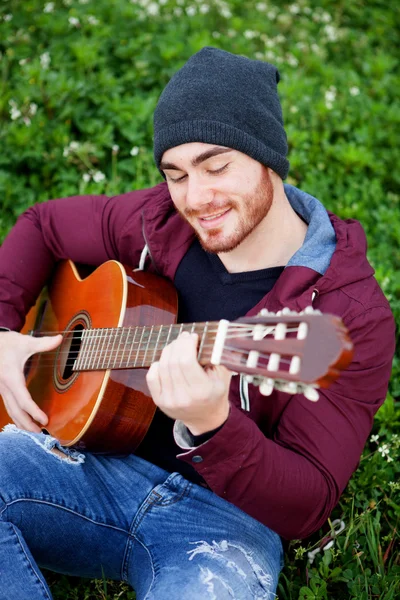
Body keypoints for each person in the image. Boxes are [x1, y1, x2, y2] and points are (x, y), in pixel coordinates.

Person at [0, 47, 395, 600]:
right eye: (176, 174)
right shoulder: (158, 218)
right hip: (85, 463)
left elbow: (309, 503)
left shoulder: (346, 319)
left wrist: (214, 424)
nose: (196, 198)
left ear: (268, 158)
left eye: (216, 166)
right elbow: (42, 225)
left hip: (224, 527)